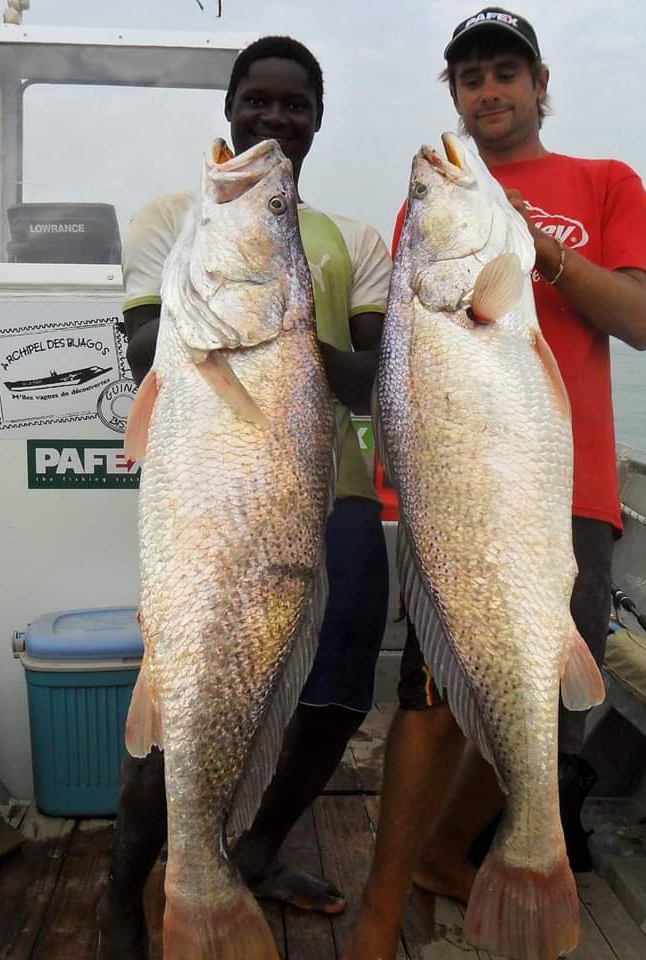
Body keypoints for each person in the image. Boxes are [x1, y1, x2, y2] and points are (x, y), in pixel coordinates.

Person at [344, 8, 646, 958]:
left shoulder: (605, 182)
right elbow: (411, 348)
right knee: (430, 696)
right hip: (459, 489)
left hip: (563, 489)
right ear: (454, 94)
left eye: (505, 72)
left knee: (546, 692)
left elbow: (642, 320)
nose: (487, 91)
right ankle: (379, 908)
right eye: (470, 78)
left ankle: (449, 854)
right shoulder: (436, 207)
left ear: (539, 85)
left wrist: (544, 248)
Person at [96, 35, 394, 960]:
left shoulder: (356, 241)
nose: (274, 118)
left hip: (336, 494)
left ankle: (254, 853)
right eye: (257, 99)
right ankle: (125, 891)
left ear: (317, 118)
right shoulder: (170, 219)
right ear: (230, 106)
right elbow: (143, 354)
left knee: (335, 695)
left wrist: (281, 334)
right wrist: (234, 333)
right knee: (187, 690)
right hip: (215, 502)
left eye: (295, 104)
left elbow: (369, 380)